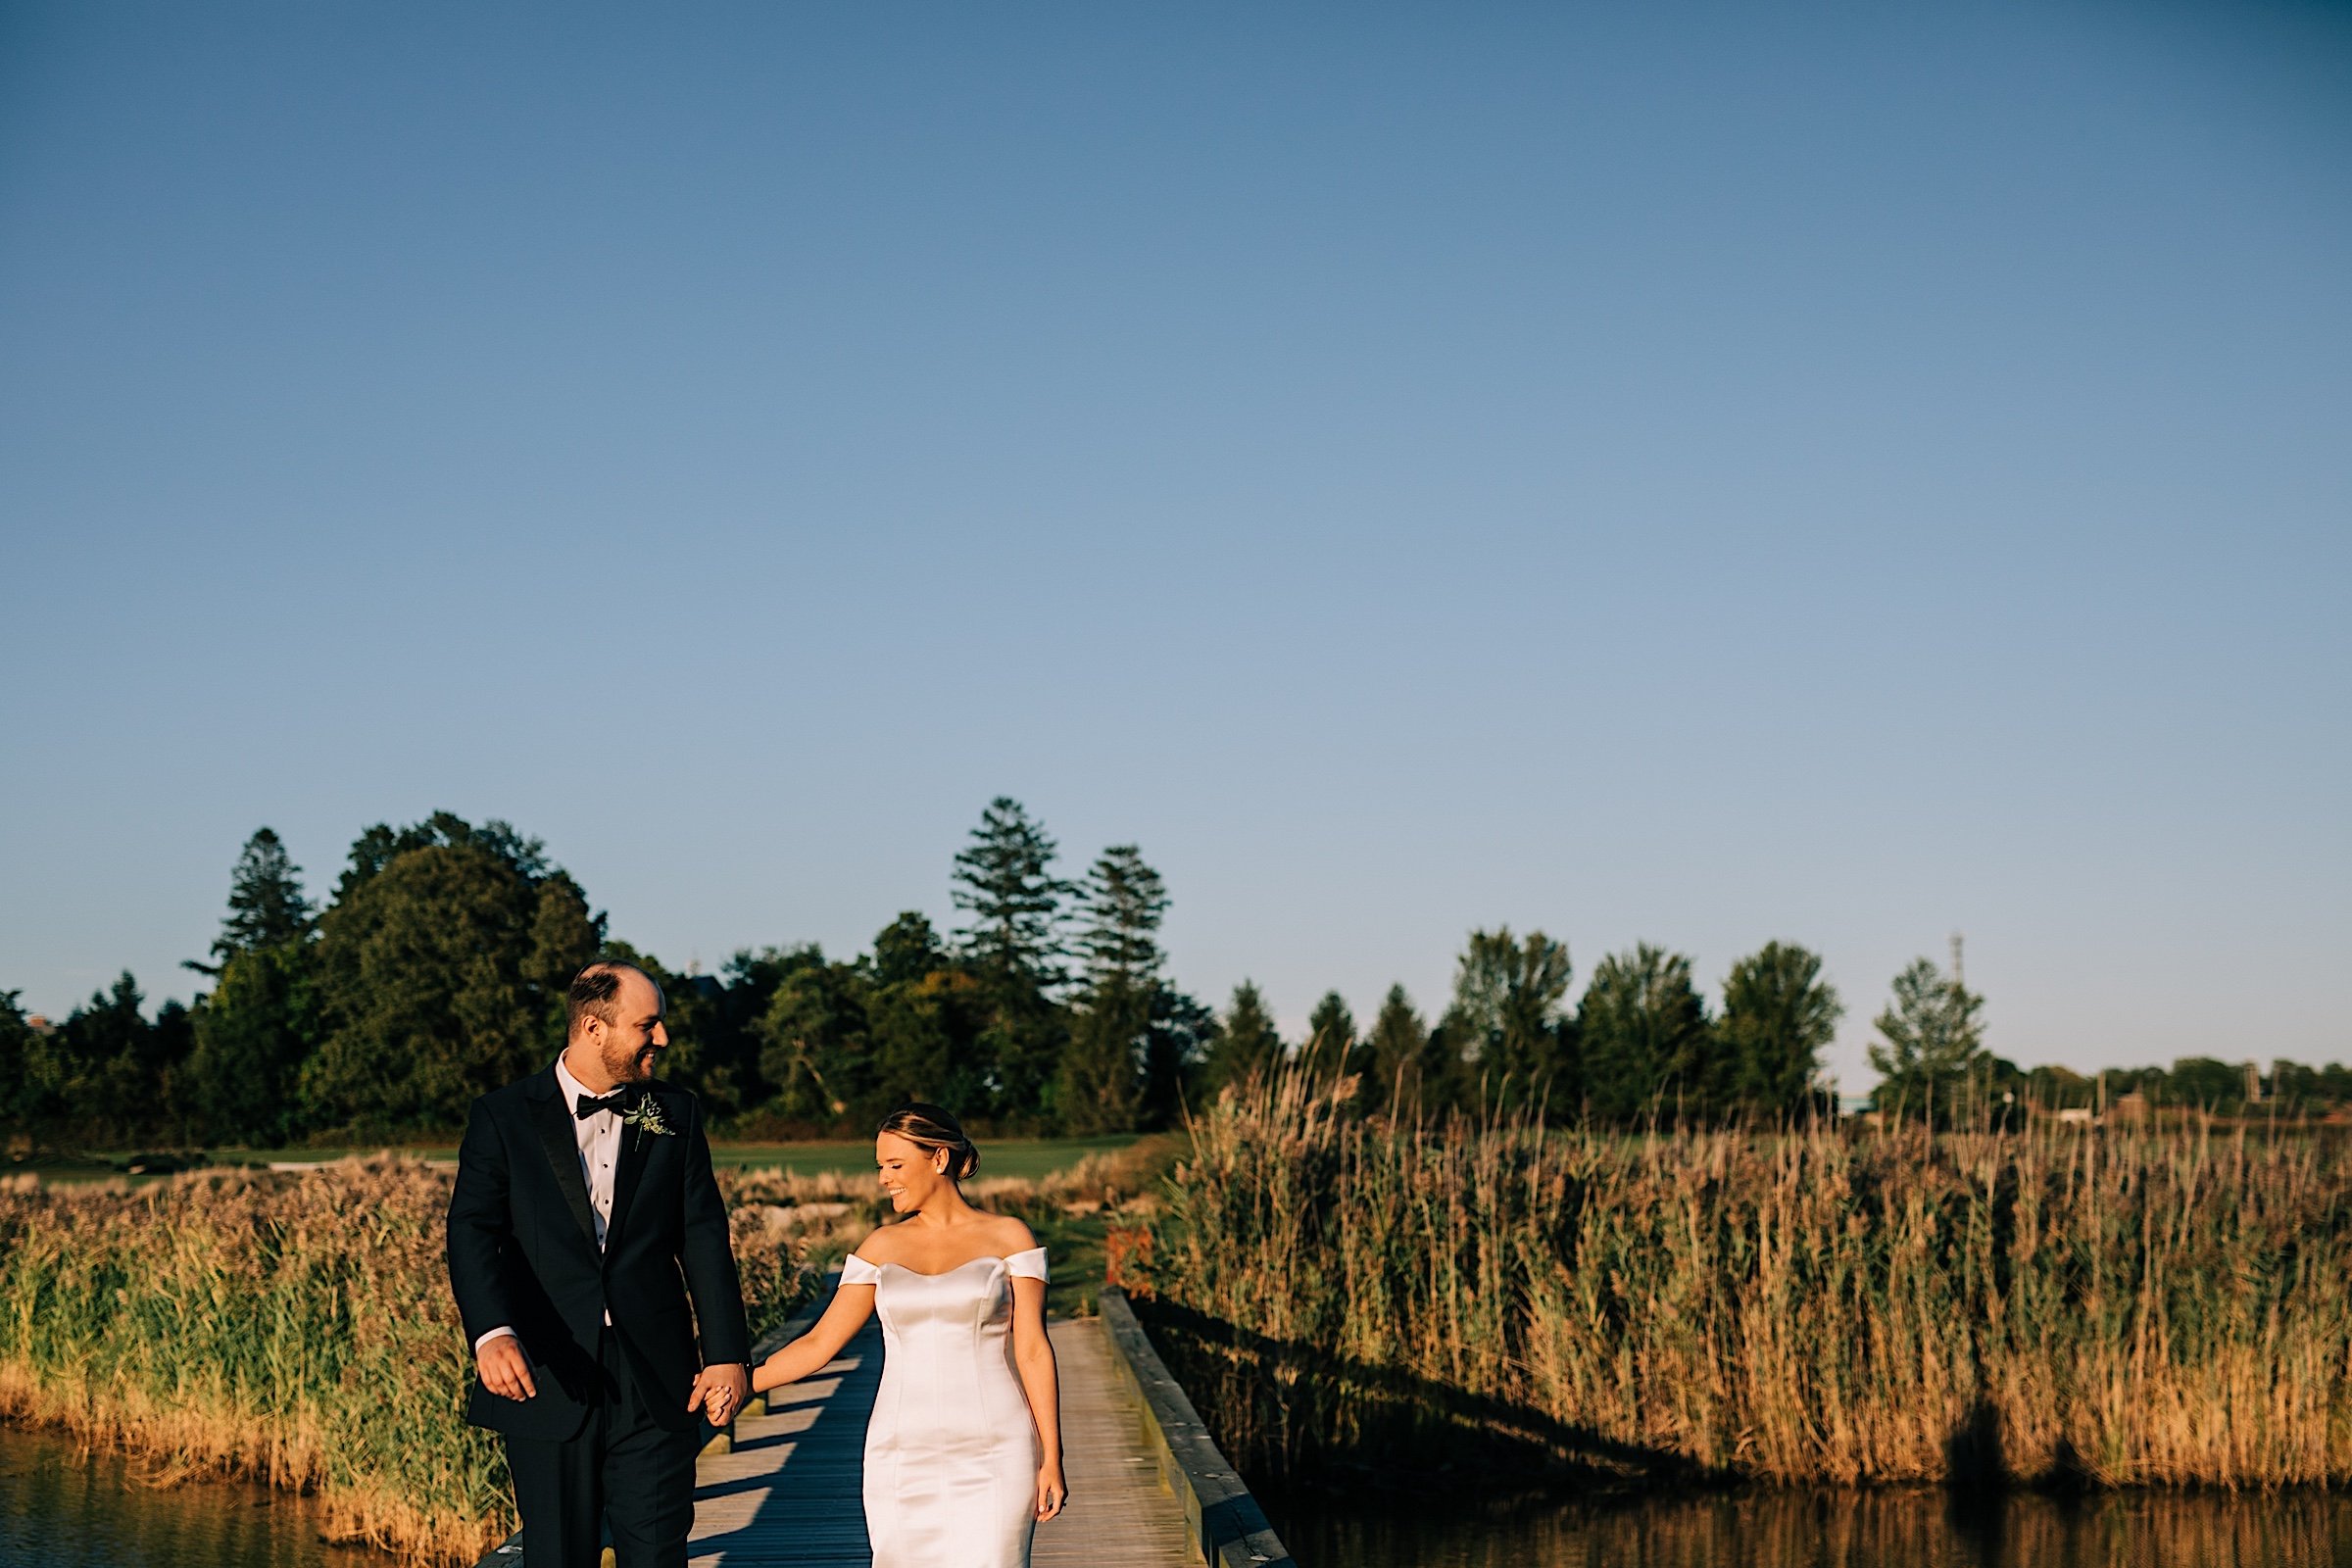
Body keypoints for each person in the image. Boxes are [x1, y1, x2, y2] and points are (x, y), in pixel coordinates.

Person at [446, 960, 752, 1568]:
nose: (662, 1039)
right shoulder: (502, 1115)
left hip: (659, 1380)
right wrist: (490, 1331)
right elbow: (471, 1231)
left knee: (659, 1554)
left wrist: (726, 1354)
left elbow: (703, 1237)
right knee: (558, 1556)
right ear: (594, 1028)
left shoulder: (677, 1113)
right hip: (547, 1371)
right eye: (649, 1025)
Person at [752, 1102, 1067, 1568]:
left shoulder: (1009, 1237)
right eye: (880, 1167)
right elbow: (819, 1344)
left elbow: (1034, 1350)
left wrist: (1052, 1458)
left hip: (996, 1449)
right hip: (901, 1450)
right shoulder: (879, 1246)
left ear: (939, 1159)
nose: (884, 1179)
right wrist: (740, 1385)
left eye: (895, 1165)